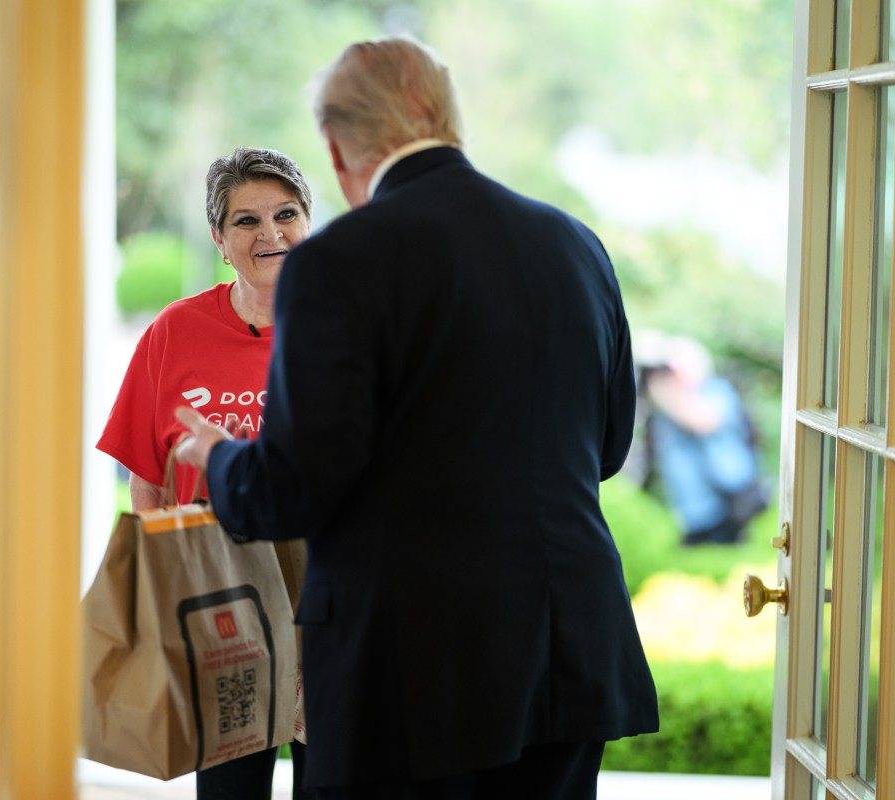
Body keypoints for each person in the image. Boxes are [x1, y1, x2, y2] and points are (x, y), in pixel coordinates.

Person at [174, 36, 658, 800]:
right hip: (570, 645)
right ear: (446, 116)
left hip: (412, 667)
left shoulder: (339, 261)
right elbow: (606, 445)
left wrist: (217, 457)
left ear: (337, 151)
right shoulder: (573, 243)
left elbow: (299, 485)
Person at [96, 146, 311, 800]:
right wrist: (171, 594)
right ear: (219, 239)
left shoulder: (344, 331)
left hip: (324, 614)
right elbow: (147, 480)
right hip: (219, 609)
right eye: (246, 221)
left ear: (309, 224)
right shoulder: (174, 332)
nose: (269, 234)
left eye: (286, 214)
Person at [636, 332, 768, 546]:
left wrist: (664, 388)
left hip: (726, 504)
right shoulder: (662, 407)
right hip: (692, 509)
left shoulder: (716, 391)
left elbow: (704, 422)